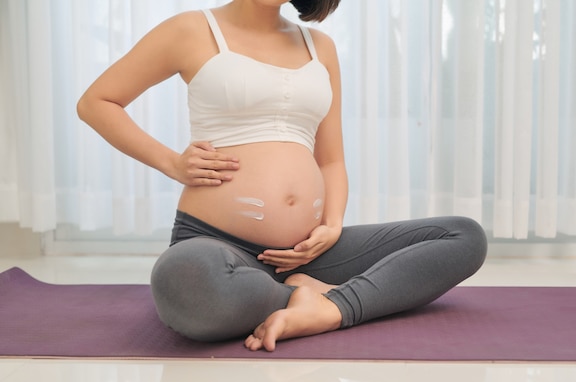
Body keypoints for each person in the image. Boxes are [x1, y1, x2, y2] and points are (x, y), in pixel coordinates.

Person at [77, 0, 488, 352]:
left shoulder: (319, 46)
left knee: (464, 236)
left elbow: (330, 159)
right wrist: (171, 162)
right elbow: (97, 101)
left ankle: (328, 308)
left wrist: (331, 224)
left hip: (312, 250)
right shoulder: (191, 29)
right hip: (217, 243)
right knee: (183, 280)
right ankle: (308, 298)